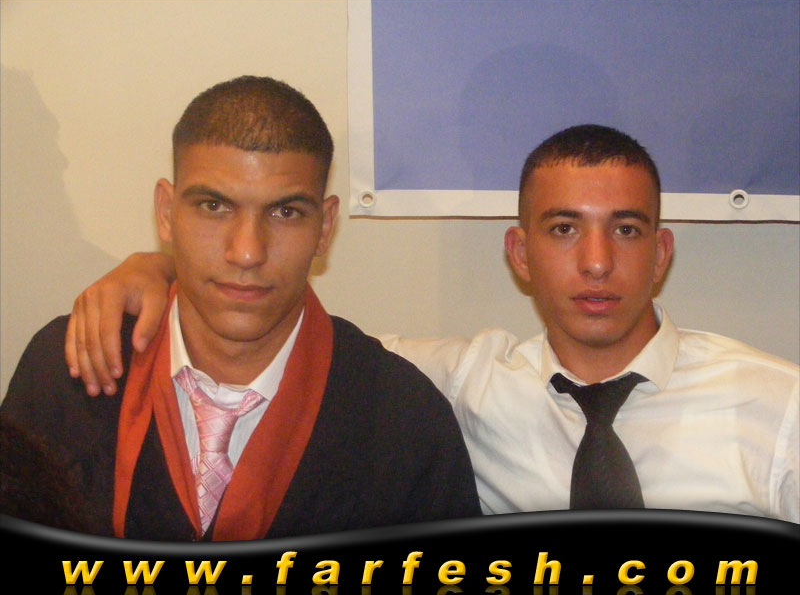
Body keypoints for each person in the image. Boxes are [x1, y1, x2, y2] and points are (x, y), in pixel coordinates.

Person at [61, 124, 799, 523]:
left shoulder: (779, 405)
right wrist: (158, 269)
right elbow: (276, 329)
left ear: (662, 253)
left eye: (627, 230)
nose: (598, 263)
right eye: (564, 229)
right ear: (519, 254)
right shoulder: (461, 384)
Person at [0, 75, 481, 540]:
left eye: (285, 212)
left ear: (325, 228)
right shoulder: (67, 367)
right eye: (214, 206)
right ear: (166, 213)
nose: (247, 252)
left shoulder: (401, 420)